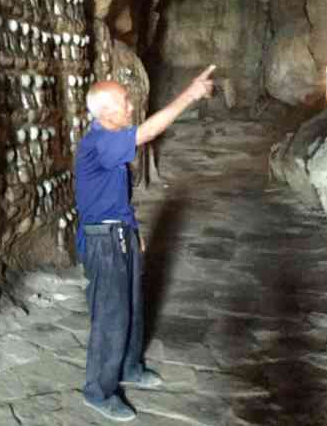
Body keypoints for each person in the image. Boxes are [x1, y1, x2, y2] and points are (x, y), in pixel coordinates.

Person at [75, 64, 216, 422]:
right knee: (111, 315)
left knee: (134, 307)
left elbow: (115, 199)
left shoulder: (108, 138)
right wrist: (191, 93)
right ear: (106, 112)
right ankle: (99, 390)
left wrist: (133, 233)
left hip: (120, 234)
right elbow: (149, 131)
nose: (131, 108)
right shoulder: (99, 142)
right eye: (124, 102)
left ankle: (130, 367)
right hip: (102, 242)